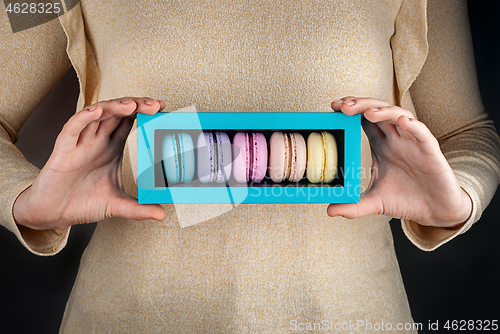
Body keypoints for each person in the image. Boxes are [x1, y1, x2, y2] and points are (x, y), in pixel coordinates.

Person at [1, 0, 499, 333]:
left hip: (350, 318)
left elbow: (468, 131)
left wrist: (461, 194)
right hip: (127, 318)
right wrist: (21, 198)